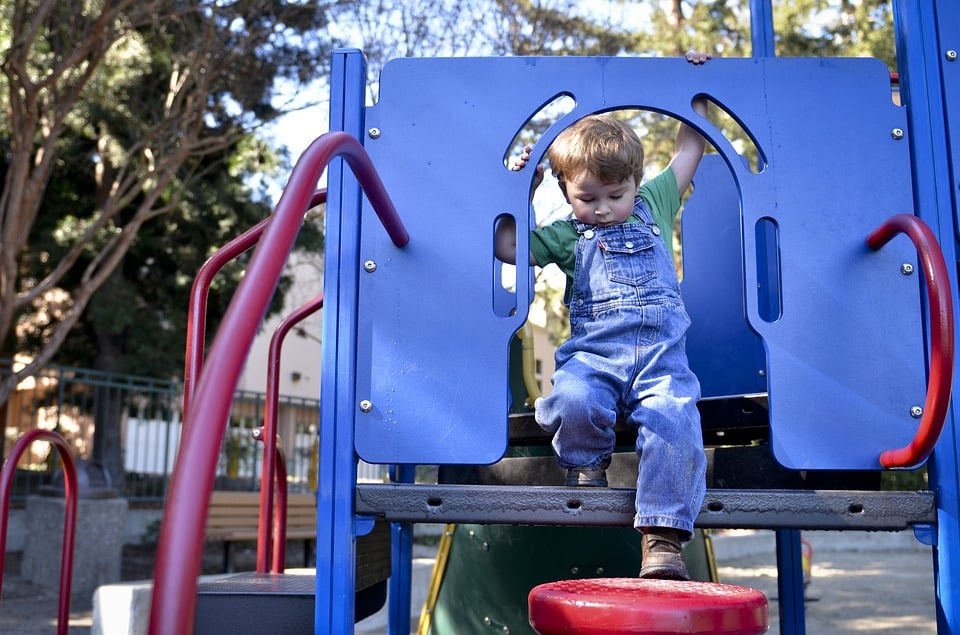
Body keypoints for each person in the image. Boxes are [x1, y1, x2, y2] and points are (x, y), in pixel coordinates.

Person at [494, 51, 711, 580]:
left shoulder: (657, 200)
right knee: (571, 397)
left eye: (616, 194)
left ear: (636, 182)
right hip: (594, 357)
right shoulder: (567, 234)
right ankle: (586, 469)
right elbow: (506, 246)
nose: (605, 208)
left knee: (676, 424)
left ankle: (662, 538)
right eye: (588, 198)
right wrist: (518, 187)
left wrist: (697, 83)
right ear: (566, 191)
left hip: (662, 361)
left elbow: (691, 145)